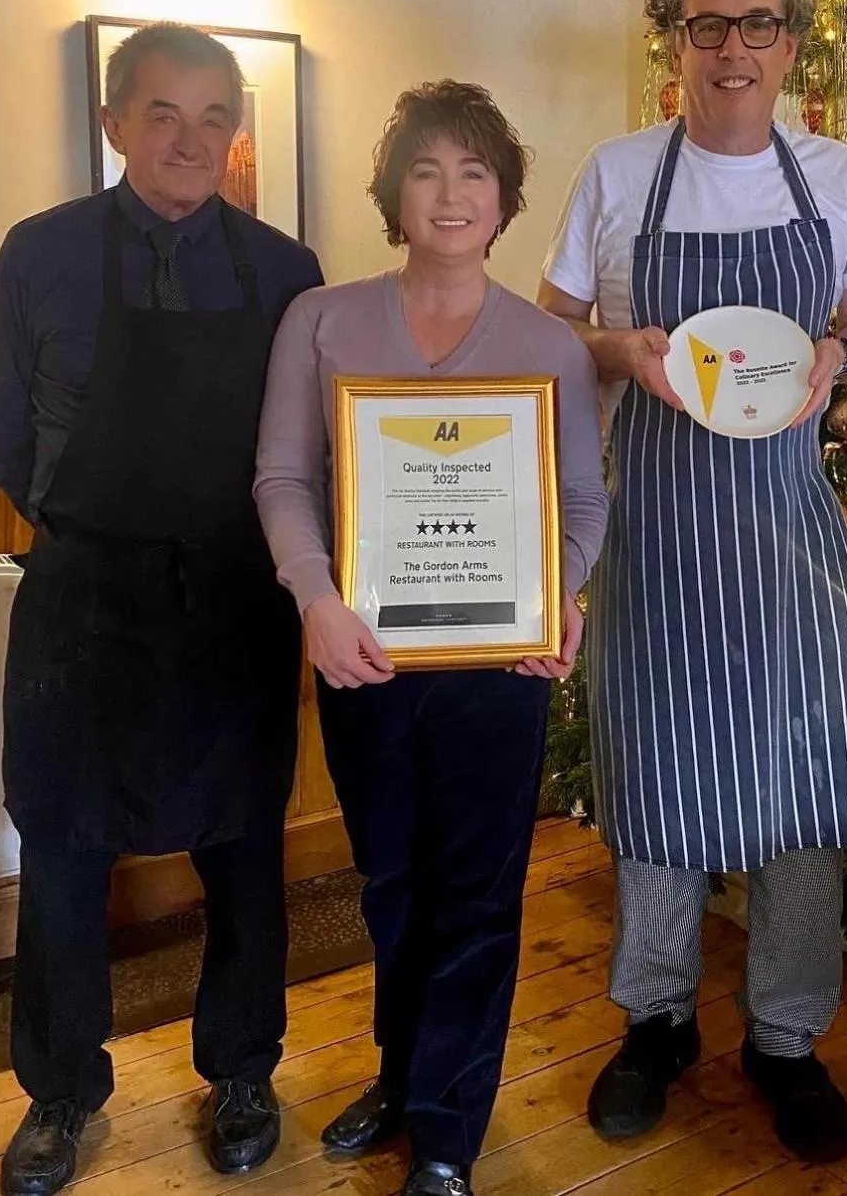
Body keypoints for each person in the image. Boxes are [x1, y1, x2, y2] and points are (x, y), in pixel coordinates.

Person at [538, 0, 847, 1163]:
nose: (733, 48)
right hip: (654, 535)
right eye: (707, 26)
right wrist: (616, 352)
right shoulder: (619, 171)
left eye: (757, 25)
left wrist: (838, 361)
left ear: (791, 42)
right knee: (655, 779)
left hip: (788, 537)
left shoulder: (834, 171)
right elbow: (550, 338)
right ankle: (654, 1023)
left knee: (800, 792)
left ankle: (786, 1039)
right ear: (675, 39)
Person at [0, 23, 324, 1196]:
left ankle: (242, 1071)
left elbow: (309, 444)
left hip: (236, 598)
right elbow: (7, 437)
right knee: (65, 853)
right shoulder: (40, 252)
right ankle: (60, 1092)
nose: (190, 138)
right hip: (86, 598)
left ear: (236, 133)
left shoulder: (287, 270)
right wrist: (102, 535)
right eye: (164, 114)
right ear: (116, 123)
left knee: (244, 851)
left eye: (214, 116)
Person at [253, 80, 608, 1196]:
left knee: (482, 891)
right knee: (391, 884)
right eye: (426, 170)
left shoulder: (550, 343)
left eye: (473, 173)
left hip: (500, 664)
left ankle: (449, 1127)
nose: (450, 194)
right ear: (394, 193)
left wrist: (563, 595)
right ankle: (401, 1075)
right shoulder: (321, 319)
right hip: (365, 656)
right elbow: (282, 476)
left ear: (503, 200)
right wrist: (316, 598)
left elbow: (583, 504)